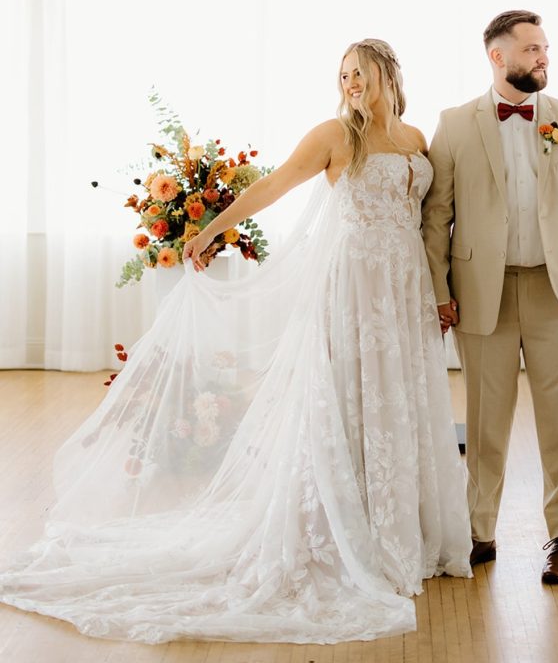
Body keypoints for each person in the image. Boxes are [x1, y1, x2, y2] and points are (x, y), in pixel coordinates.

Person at [0, 39, 471, 644]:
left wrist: (438, 290)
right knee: (350, 397)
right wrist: (210, 230)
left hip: (404, 285)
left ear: (388, 73)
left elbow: (430, 221)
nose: (351, 83)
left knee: (399, 399)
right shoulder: (335, 135)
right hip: (353, 285)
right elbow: (274, 186)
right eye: (344, 75)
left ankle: (398, 529)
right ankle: (343, 532)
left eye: (361, 72)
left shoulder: (415, 138)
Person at [422, 10, 558, 584]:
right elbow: (436, 219)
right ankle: (478, 532)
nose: (543, 58)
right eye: (531, 49)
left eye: (545, 48)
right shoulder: (455, 124)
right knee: (485, 423)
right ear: (497, 56)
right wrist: (440, 293)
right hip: (484, 294)